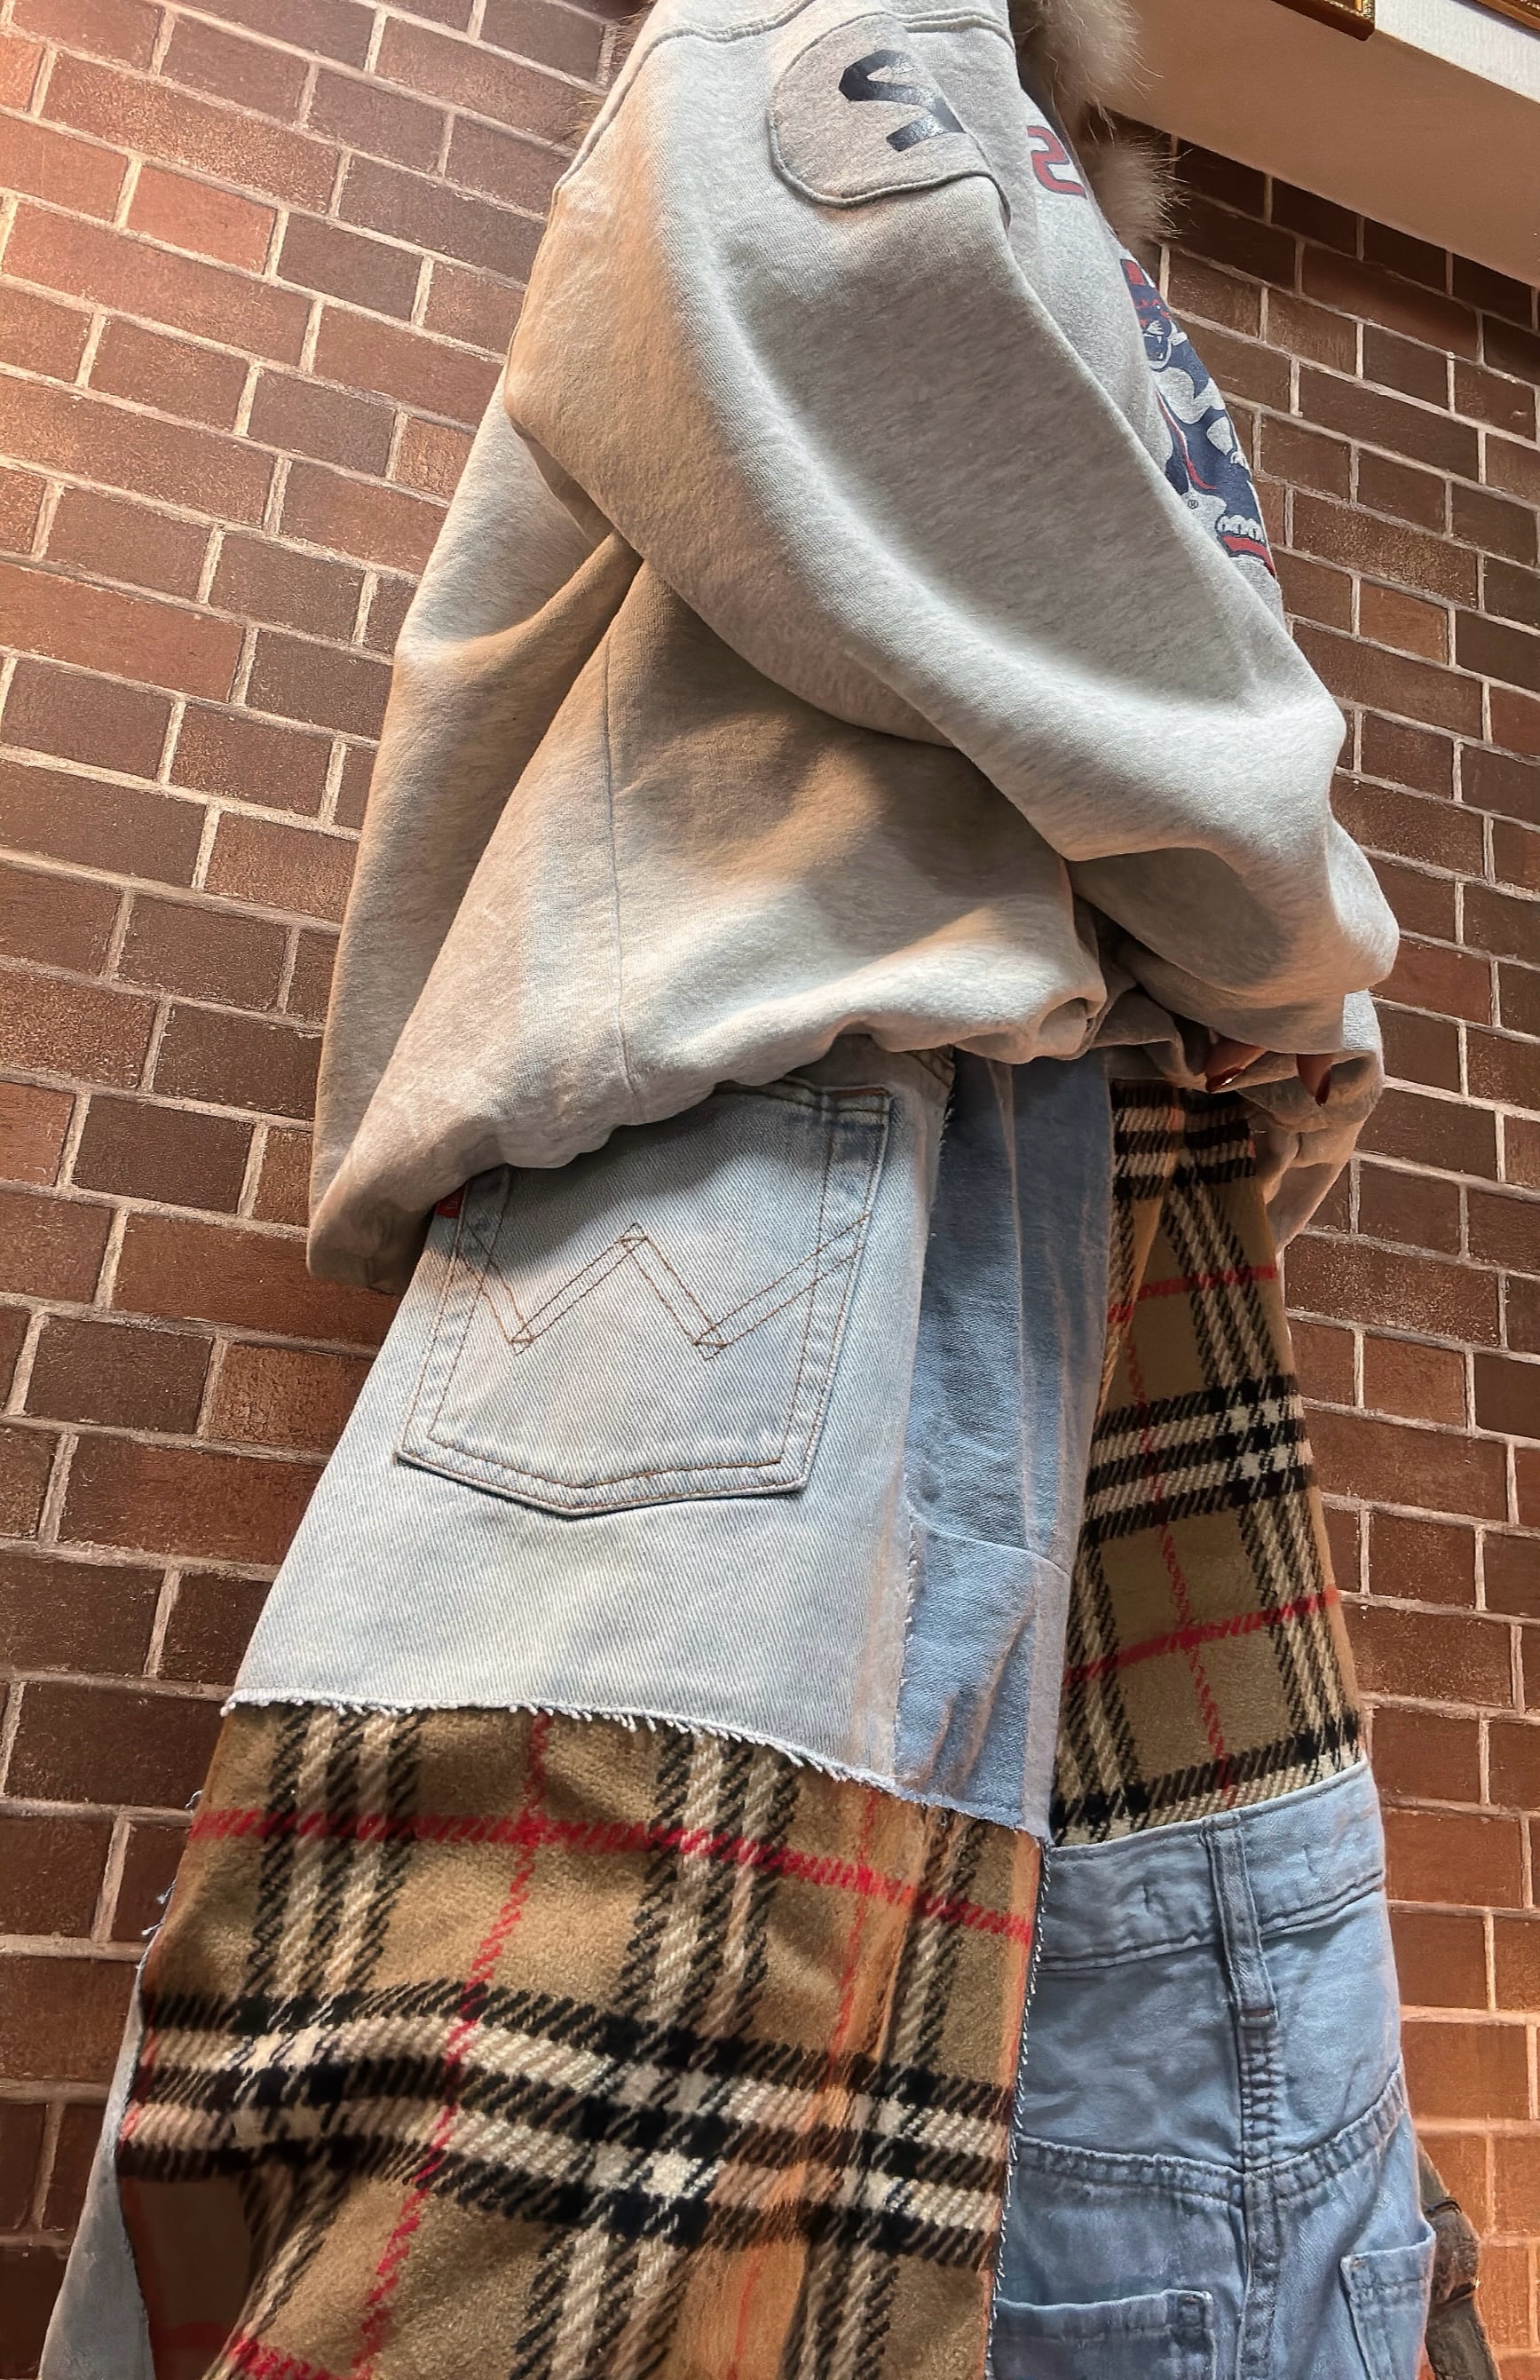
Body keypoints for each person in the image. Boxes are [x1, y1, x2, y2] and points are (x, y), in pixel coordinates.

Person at [42, 0, 1441, 2370]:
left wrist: (1256, 1000)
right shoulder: (837, 18)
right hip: (805, 1148)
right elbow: (858, 350)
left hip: (1045, 1166)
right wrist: (1298, 929)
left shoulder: (1016, 130)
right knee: (604, 2199)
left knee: (1148, 2171)